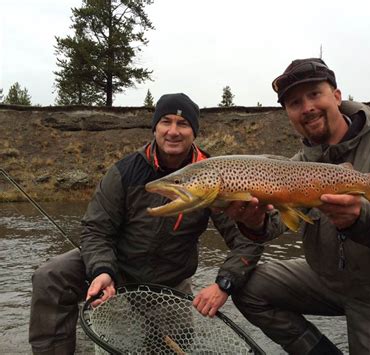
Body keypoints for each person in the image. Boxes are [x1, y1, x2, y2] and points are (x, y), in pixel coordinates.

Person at [226, 58, 370, 354]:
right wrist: (254, 223)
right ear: (289, 114)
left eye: (314, 94)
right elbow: (276, 222)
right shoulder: (296, 167)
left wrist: (362, 217)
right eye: (294, 103)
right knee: (249, 288)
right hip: (332, 280)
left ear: (337, 96)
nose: (306, 108)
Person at [29, 93, 264, 354]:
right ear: (155, 127)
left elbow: (249, 236)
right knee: (51, 276)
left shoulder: (215, 176)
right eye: (166, 122)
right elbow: (96, 230)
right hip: (117, 264)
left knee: (175, 343)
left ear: (194, 133)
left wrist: (224, 283)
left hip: (170, 280)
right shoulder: (125, 171)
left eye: (183, 124)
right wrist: (101, 270)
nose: (173, 131)